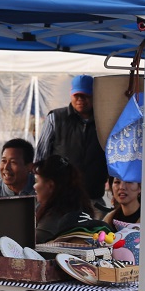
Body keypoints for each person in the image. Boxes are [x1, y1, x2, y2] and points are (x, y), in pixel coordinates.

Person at [36, 75, 108, 208]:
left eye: (85, 96)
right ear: (71, 95)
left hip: (94, 199)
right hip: (60, 199)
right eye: (77, 95)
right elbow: (40, 158)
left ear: (94, 95)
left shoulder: (104, 122)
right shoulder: (55, 118)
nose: (80, 100)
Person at [33, 154, 96, 243]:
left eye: (36, 181)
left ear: (50, 185)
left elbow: (29, 244)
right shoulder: (80, 206)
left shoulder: (53, 218)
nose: (34, 186)